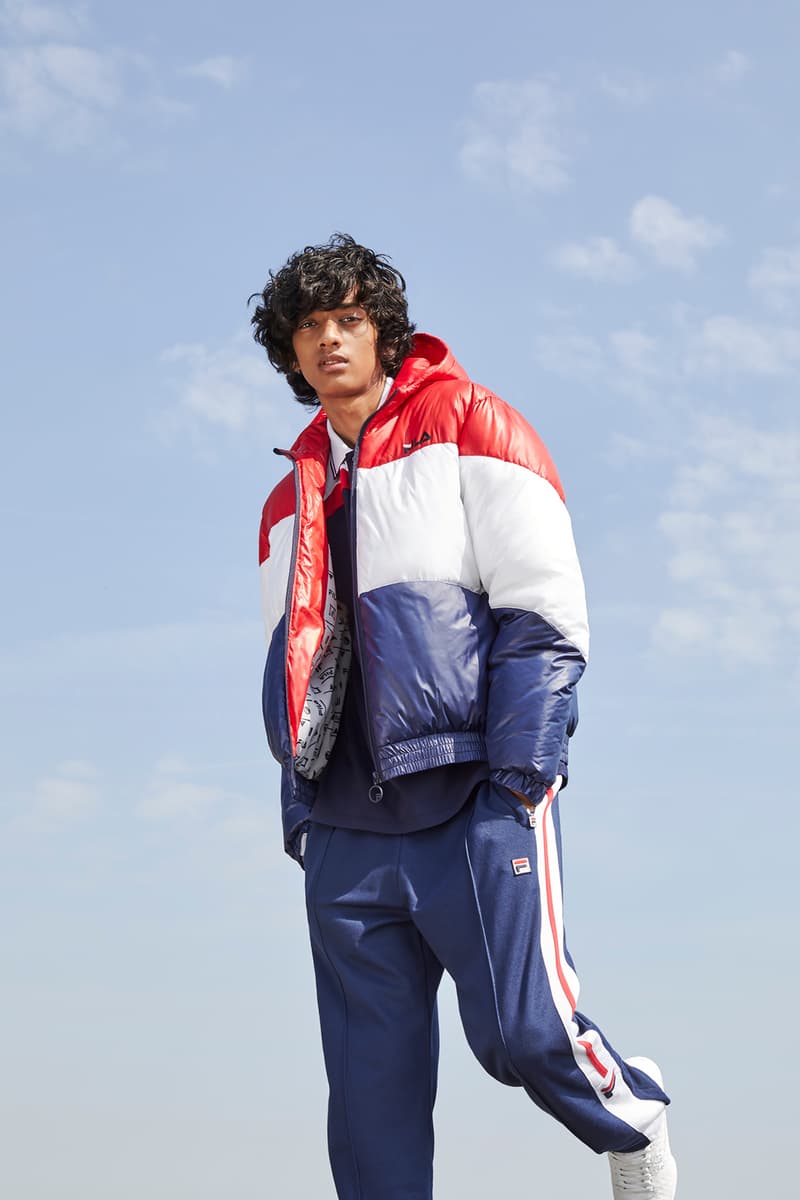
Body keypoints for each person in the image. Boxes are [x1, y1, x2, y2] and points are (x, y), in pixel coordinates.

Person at [252, 233, 678, 1200]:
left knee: (524, 1038)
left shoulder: (471, 422)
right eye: (310, 325)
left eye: (349, 318)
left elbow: (543, 612)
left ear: (383, 330)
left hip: (474, 791)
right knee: (369, 1100)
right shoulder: (288, 497)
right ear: (290, 349)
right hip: (346, 827)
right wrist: (302, 814)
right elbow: (294, 671)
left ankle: (632, 1116)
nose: (330, 339)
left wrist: (519, 777)